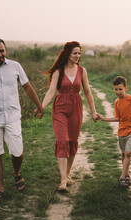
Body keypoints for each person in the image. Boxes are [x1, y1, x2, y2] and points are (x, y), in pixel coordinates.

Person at [0, 38, 44, 202]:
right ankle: (0, 189)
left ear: (6, 50)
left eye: (2, 50)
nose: (0, 54)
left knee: (17, 152)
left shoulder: (15, 66)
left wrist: (39, 105)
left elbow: (27, 86)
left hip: (13, 117)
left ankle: (16, 173)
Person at [34, 41, 98, 192]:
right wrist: (41, 107)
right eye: (75, 53)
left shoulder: (82, 71)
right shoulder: (58, 71)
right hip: (60, 108)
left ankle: (67, 173)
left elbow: (88, 92)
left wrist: (94, 111)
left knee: (72, 142)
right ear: (68, 54)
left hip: (76, 108)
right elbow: (51, 92)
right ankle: (63, 181)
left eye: (79, 53)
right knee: (62, 141)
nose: (77, 56)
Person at [97, 76, 131, 187]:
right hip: (122, 131)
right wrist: (103, 118)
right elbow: (117, 118)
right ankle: (126, 175)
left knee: (128, 152)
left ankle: (122, 177)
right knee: (123, 154)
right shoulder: (117, 102)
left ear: (125, 88)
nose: (118, 91)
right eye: (116, 89)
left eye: (120, 89)